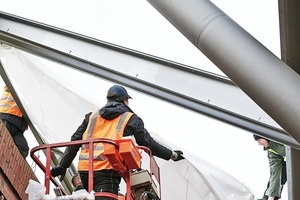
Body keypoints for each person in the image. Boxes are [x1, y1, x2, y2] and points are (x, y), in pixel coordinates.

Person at [51, 84, 184, 200]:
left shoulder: (92, 116)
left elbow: (75, 140)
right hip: (107, 171)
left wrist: (63, 165)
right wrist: (172, 155)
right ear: (125, 100)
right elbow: (148, 143)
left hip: (85, 170)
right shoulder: (130, 118)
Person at [253, 134, 287, 200]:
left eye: (259, 140)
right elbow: (275, 172)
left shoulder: (278, 138)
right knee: (278, 175)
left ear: (265, 137)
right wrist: (271, 196)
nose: (259, 144)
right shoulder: (271, 150)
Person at [0, 86, 29, 158]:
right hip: (7, 115)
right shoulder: (15, 80)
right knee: (3, 138)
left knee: (23, 149)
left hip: (19, 128)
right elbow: (9, 87)